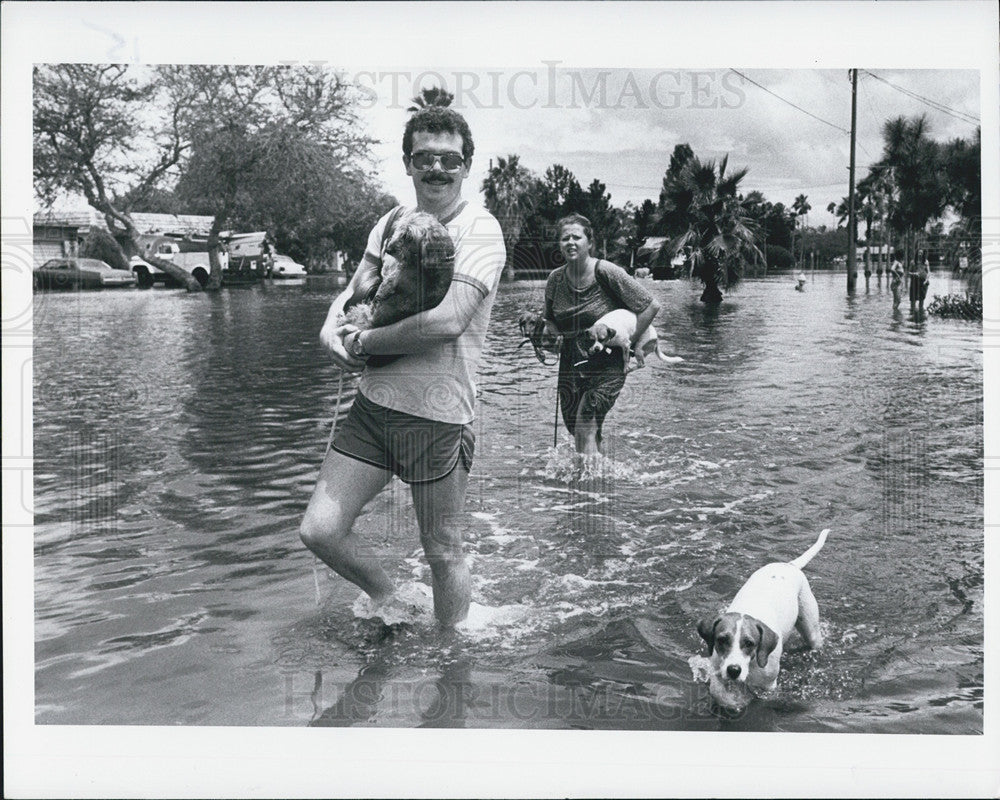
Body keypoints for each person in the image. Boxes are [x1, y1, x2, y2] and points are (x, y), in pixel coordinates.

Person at [299, 107, 506, 627]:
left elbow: (447, 321)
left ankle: (452, 664)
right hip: (372, 410)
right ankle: (391, 597)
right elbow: (355, 290)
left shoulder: (481, 230)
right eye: (424, 158)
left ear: (467, 165)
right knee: (320, 531)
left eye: (449, 159)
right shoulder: (391, 221)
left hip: (437, 417)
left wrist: (363, 341)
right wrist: (330, 327)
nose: (436, 169)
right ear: (409, 163)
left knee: (442, 552)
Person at [543, 214, 659, 456]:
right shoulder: (555, 279)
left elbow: (650, 306)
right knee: (578, 428)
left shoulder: (605, 271)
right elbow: (550, 321)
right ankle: (599, 480)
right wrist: (551, 338)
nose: (571, 242)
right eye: (565, 238)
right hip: (572, 362)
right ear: (559, 244)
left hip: (608, 362)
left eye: (577, 237)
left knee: (586, 421)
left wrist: (631, 343)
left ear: (589, 242)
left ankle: (587, 490)